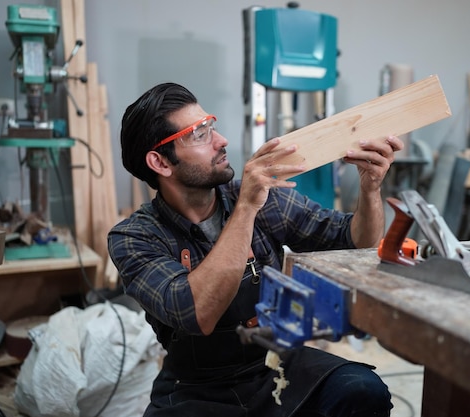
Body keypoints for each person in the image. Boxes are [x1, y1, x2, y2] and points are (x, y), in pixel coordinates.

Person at [108, 82, 404, 417]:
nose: (221, 141)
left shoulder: (266, 199)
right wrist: (246, 207)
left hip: (276, 364)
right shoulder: (134, 237)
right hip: (196, 387)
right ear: (161, 163)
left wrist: (370, 188)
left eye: (212, 126)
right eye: (200, 134)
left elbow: (355, 242)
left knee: (362, 390)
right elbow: (197, 313)